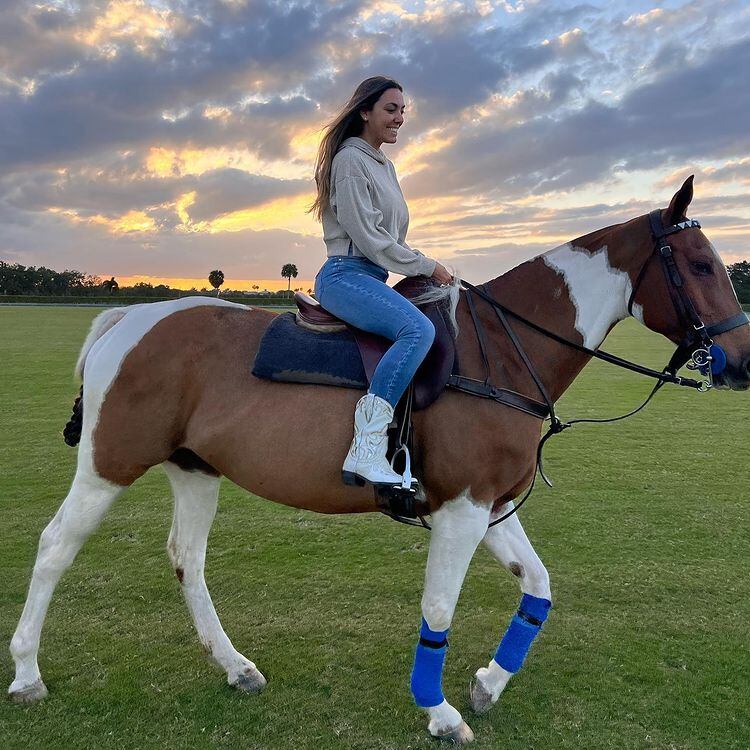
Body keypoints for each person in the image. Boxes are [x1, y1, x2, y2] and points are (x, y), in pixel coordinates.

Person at [309, 76, 453, 489]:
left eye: (403, 110)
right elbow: (371, 239)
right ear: (365, 112)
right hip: (345, 275)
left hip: (372, 275)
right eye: (391, 109)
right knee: (416, 329)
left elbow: (388, 240)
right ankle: (367, 449)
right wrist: (426, 266)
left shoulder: (383, 164)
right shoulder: (351, 161)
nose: (400, 118)